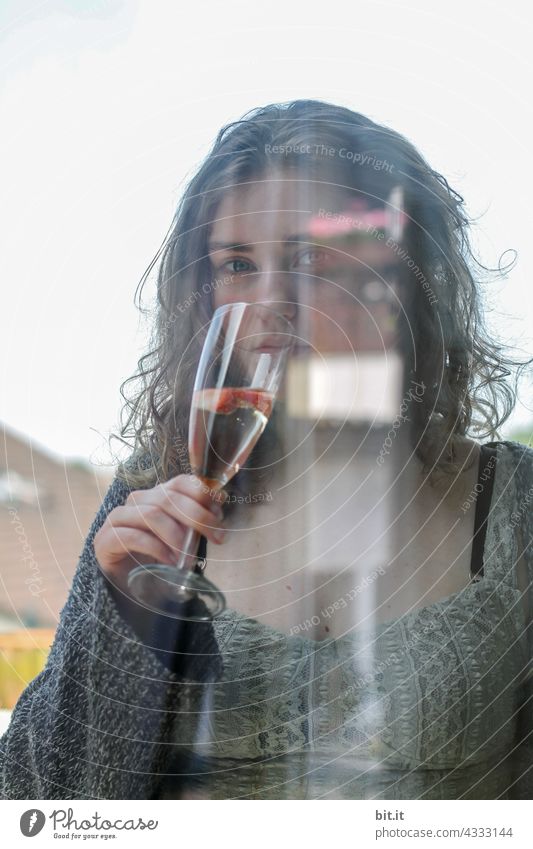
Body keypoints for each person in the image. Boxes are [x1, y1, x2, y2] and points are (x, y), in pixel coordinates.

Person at [1, 100, 532, 800]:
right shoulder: (154, 499)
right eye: (239, 264)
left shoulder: (510, 502)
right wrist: (120, 623)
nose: (273, 300)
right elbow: (37, 800)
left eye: (312, 257)